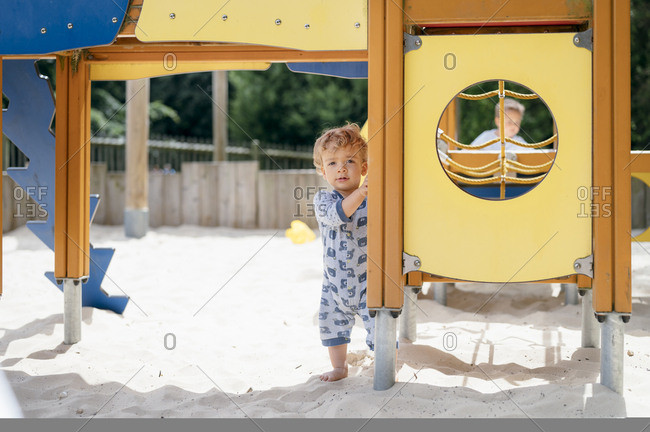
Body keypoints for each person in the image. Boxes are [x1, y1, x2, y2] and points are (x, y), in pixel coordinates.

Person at [312, 123, 371, 382]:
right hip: (334, 284)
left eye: (350, 161)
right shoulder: (324, 201)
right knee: (331, 324)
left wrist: (367, 194)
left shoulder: (373, 199)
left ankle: (384, 363)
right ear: (324, 172)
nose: (342, 168)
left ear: (364, 168)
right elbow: (338, 215)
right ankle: (339, 367)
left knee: (380, 324)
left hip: (370, 280)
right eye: (333, 163)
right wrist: (360, 193)